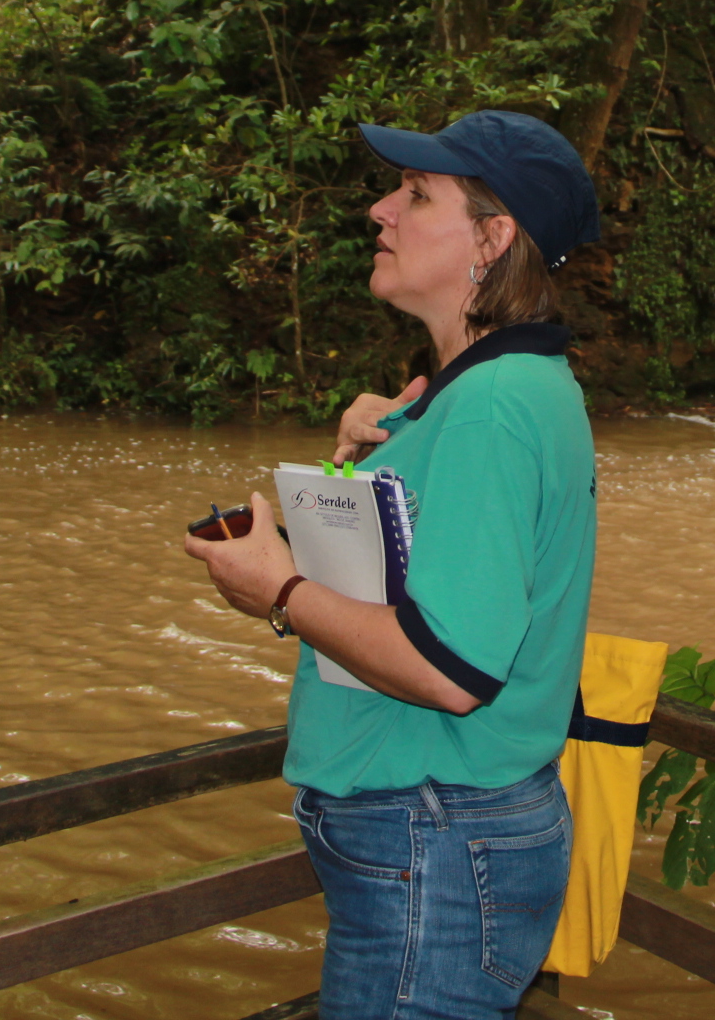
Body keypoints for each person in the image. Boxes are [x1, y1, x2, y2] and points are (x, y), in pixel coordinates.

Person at [187, 109, 603, 1020]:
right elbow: (421, 581)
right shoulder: (483, 390)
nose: (381, 209)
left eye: (416, 195)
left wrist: (279, 590)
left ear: (492, 241)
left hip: (438, 839)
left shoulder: (490, 405)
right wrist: (356, 468)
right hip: (438, 834)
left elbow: (451, 668)